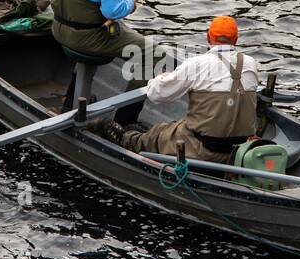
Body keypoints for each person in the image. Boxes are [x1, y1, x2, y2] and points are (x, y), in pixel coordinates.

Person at [94, 16, 261, 164]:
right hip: (239, 149)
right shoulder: (251, 64)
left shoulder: (197, 63)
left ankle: (124, 138)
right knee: (178, 126)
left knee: (159, 133)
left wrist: (160, 78)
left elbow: (156, 94)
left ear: (208, 37)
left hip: (203, 149)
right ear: (236, 39)